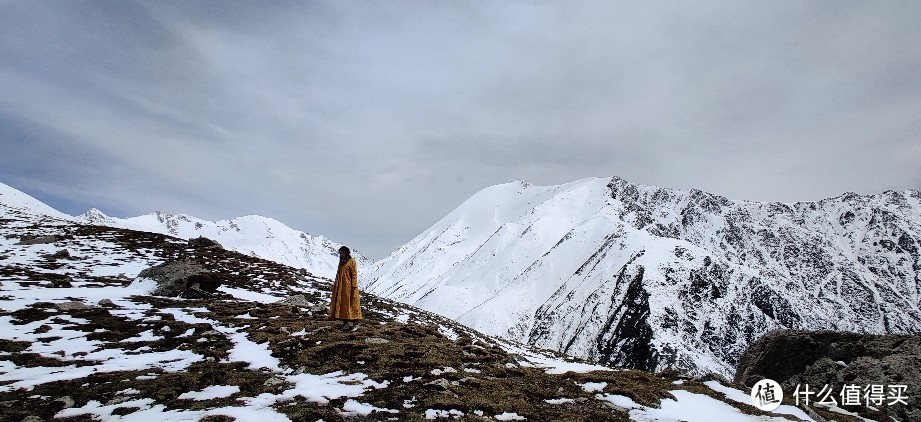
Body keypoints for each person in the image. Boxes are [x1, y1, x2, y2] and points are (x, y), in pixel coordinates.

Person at [329, 245, 362, 331]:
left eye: (343, 253)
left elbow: (354, 274)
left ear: (346, 253)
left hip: (349, 287)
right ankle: (345, 323)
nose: (342, 255)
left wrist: (354, 286)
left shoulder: (352, 262)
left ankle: (356, 322)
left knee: (352, 304)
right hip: (341, 287)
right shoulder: (341, 263)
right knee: (343, 305)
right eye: (340, 253)